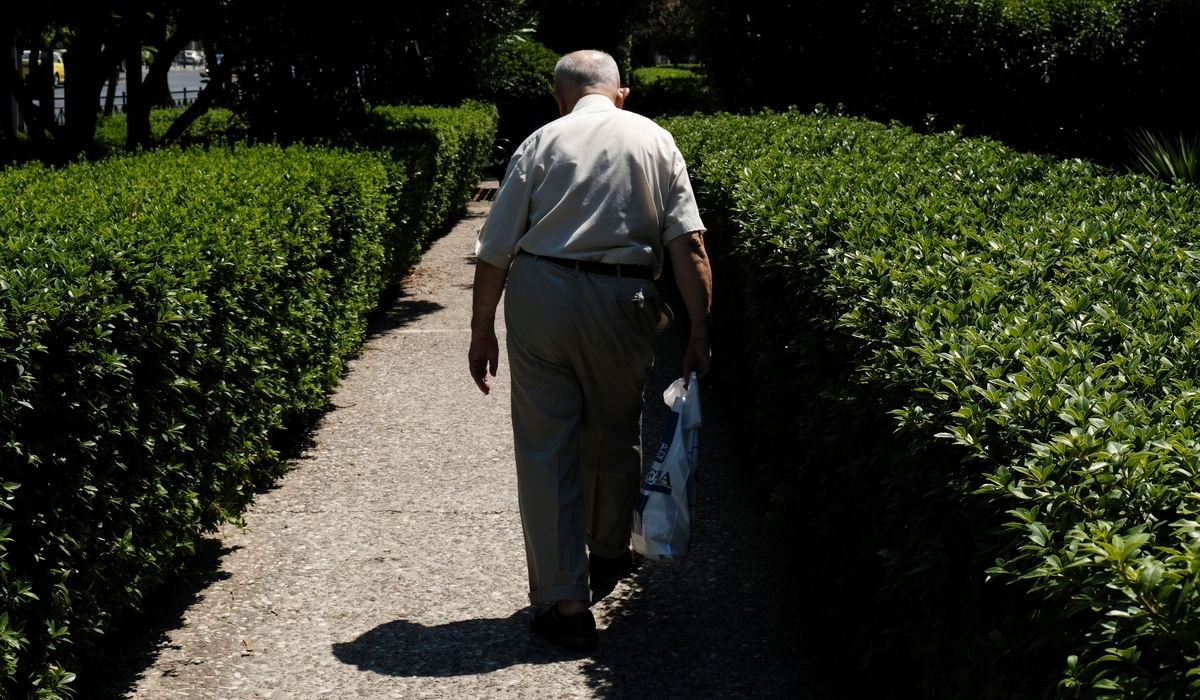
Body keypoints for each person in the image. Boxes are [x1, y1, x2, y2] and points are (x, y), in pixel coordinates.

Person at [468, 49, 712, 651]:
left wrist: (481, 331)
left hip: (541, 296)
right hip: (624, 300)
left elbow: (495, 249)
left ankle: (565, 601)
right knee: (613, 430)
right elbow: (691, 246)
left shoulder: (541, 140)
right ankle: (607, 553)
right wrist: (700, 334)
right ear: (620, 92)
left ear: (561, 98)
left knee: (546, 445)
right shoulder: (656, 140)